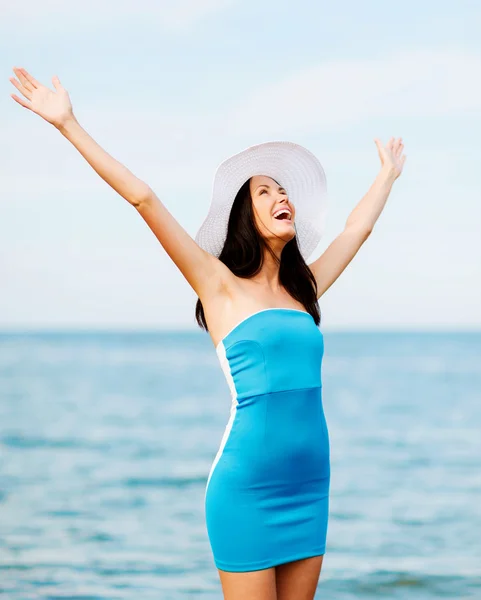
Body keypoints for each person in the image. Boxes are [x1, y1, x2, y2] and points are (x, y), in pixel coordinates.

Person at [9, 66, 406, 600]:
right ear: (246, 215)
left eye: (283, 189)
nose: (280, 196)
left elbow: (356, 229)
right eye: (265, 191)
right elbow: (144, 199)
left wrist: (386, 175)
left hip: (310, 486)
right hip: (247, 489)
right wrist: (68, 124)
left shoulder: (304, 290)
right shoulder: (218, 287)